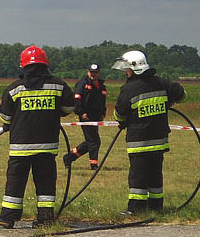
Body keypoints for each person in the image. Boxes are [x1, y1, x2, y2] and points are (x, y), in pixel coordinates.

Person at [0, 45, 75, 228]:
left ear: (23, 66)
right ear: (45, 64)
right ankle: (45, 218)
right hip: (47, 145)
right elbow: (69, 108)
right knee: (45, 181)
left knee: (15, 181)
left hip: (20, 147)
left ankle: (8, 217)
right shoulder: (58, 85)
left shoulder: (14, 89)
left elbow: (5, 117)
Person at [112, 50, 186, 214]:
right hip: (159, 141)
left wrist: (123, 121)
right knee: (155, 175)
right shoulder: (162, 83)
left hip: (139, 143)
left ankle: (136, 209)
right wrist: (169, 101)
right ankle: (156, 207)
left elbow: (119, 115)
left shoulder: (129, 89)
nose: (126, 72)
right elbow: (182, 94)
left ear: (134, 69)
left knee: (137, 176)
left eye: (127, 69)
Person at [63, 63, 107, 170]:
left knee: (91, 141)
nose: (93, 75)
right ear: (88, 72)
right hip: (85, 117)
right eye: (91, 72)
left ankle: (70, 156)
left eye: (95, 73)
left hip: (96, 117)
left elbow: (102, 102)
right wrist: (81, 113)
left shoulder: (101, 86)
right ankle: (94, 165)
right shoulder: (82, 84)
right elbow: (77, 99)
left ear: (99, 73)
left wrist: (103, 113)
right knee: (94, 141)